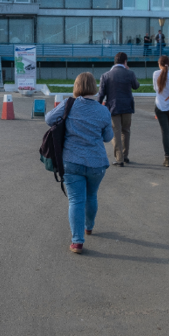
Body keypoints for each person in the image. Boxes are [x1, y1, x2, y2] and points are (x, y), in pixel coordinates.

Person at [45, 72, 113, 255]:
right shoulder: (103, 110)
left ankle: (77, 242)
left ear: (76, 87)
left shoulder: (69, 104)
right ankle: (89, 226)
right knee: (92, 196)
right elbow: (108, 137)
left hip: (71, 161)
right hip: (96, 163)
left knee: (76, 200)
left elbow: (49, 119)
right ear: (94, 87)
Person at [98, 52, 140, 167]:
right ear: (125, 62)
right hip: (127, 107)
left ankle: (119, 158)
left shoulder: (106, 75)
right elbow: (136, 86)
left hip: (113, 108)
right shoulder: (130, 73)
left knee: (116, 132)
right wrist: (129, 70)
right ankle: (125, 156)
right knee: (126, 131)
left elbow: (101, 94)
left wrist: (97, 106)